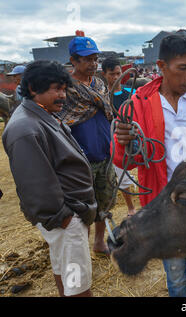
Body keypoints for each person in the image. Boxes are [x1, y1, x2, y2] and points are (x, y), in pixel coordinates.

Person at [112, 35, 186, 297]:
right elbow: (124, 161)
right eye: (183, 68)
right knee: (176, 278)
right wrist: (124, 143)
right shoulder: (137, 107)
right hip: (164, 208)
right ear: (162, 66)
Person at [2, 61, 97, 297]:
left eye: (64, 89)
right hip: (64, 218)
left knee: (64, 269)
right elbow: (35, 183)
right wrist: (65, 219)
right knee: (77, 282)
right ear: (33, 88)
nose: (62, 96)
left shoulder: (41, 114)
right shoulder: (25, 128)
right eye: (56, 89)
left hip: (67, 215)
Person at [57, 36, 117, 256]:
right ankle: (80, 247)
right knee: (82, 206)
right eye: (87, 59)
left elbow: (108, 113)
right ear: (73, 60)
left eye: (95, 58)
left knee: (105, 201)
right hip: (79, 158)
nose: (93, 63)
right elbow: (62, 121)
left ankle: (99, 243)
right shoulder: (64, 89)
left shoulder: (99, 84)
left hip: (104, 152)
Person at [101, 57, 137, 216]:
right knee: (123, 175)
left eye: (118, 73)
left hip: (135, 136)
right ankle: (131, 207)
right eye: (112, 74)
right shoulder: (103, 97)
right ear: (104, 74)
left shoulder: (132, 93)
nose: (116, 77)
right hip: (115, 140)